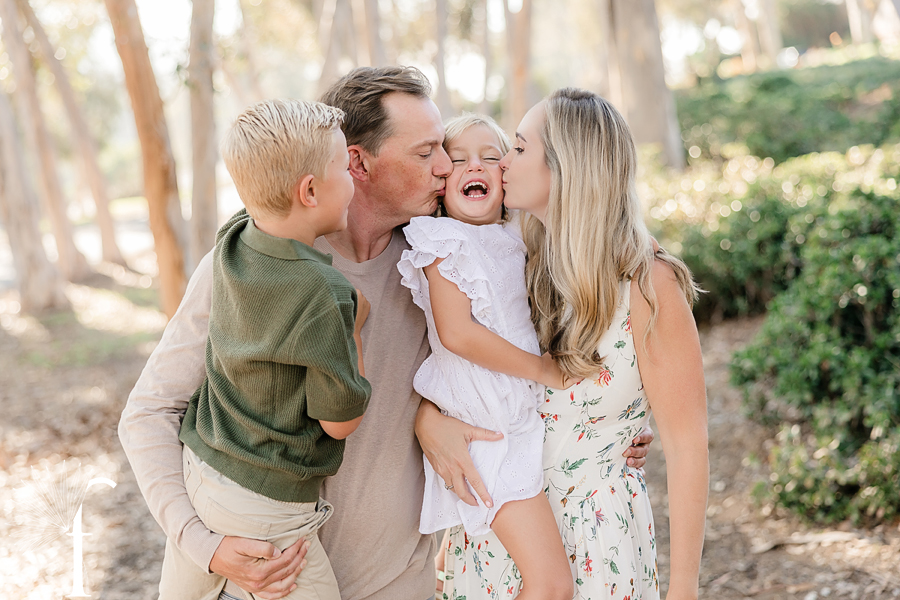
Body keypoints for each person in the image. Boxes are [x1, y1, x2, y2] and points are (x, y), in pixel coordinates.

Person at [118, 67, 653, 600]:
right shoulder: (255, 267)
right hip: (266, 581)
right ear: (356, 162)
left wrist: (610, 433)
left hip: (401, 584)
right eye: (426, 154)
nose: (446, 166)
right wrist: (201, 543)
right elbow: (149, 412)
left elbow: (512, 364)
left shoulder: (440, 264)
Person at [421, 89, 709, 600]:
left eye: (518, 148)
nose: (502, 163)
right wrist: (428, 421)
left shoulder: (647, 284)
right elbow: (464, 366)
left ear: (566, 168)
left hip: (597, 546)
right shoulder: (520, 264)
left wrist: (683, 590)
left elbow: (687, 448)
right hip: (500, 534)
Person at [161, 99, 373, 600]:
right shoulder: (324, 291)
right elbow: (339, 421)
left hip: (202, 468)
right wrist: (356, 328)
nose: (354, 180)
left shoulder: (234, 237)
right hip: (268, 501)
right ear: (310, 191)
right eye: (345, 168)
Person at [397, 113, 573, 600]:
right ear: (441, 179)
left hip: (519, 418)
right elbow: (456, 333)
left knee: (498, 573)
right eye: (457, 160)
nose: (475, 166)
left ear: (505, 176)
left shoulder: (518, 236)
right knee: (551, 586)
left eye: (491, 158)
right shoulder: (441, 240)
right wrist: (542, 370)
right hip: (487, 427)